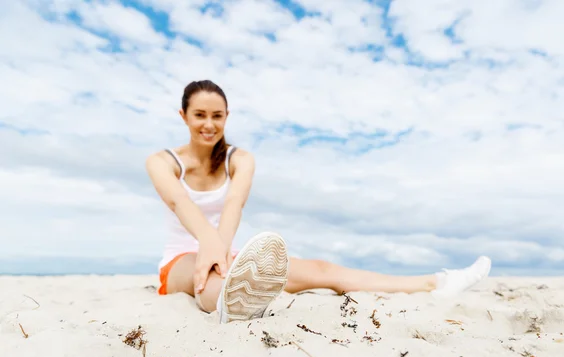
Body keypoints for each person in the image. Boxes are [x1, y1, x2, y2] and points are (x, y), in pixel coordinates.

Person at [145, 80, 492, 324]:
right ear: (184, 116)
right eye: (200, 115)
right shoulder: (161, 161)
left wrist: (220, 251)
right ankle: (232, 305)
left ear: (227, 116)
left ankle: (437, 282)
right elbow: (180, 203)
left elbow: (234, 203)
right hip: (180, 260)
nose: (209, 124)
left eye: (217, 115)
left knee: (323, 271)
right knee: (207, 278)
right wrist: (209, 248)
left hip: (228, 253)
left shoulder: (240, 159)